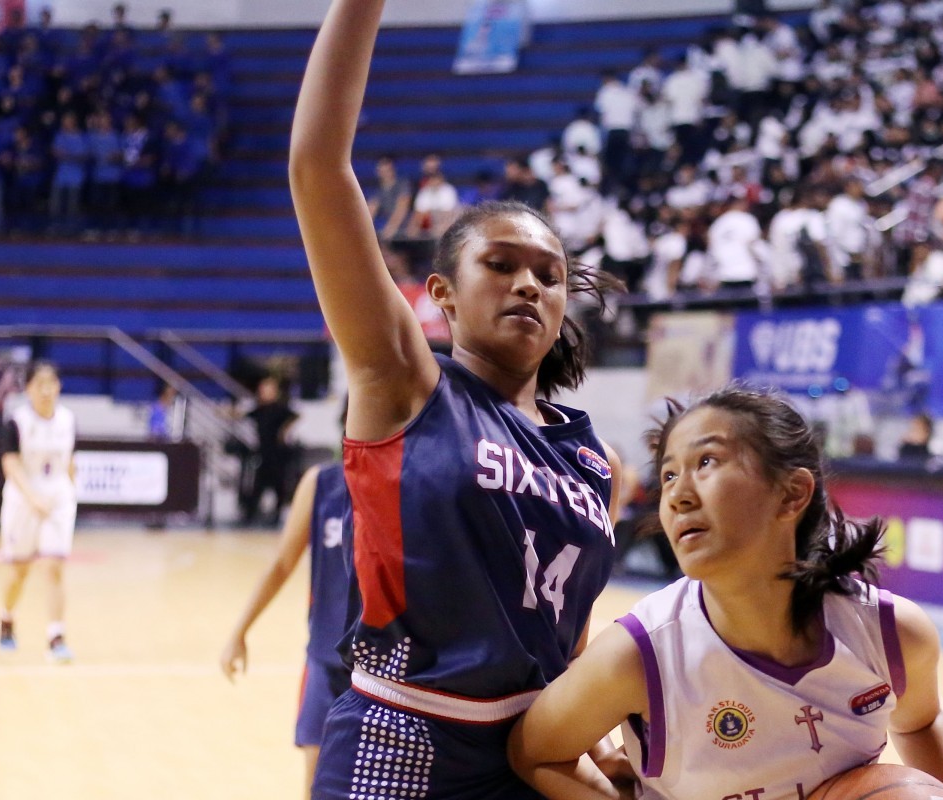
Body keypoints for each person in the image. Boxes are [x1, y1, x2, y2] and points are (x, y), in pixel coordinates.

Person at [287, 1, 624, 796]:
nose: (529, 285)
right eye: (501, 265)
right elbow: (316, 167)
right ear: (441, 293)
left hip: (528, 758)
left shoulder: (592, 459)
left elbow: (564, 634)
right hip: (401, 742)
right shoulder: (405, 382)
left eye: (548, 275)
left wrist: (595, 733)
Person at [508, 388, 943, 800]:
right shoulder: (640, 653)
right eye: (669, 475)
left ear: (792, 494)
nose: (678, 495)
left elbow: (922, 722)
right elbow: (534, 752)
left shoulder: (890, 633)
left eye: (706, 462)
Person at [221, 457, 351, 797]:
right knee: (316, 775)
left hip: (383, 665)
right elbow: (282, 563)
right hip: (326, 657)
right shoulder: (321, 483)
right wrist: (240, 632)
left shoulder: (405, 478)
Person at [0, 361, 78, 663]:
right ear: (28, 388)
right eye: (39, 384)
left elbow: (70, 461)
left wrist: (71, 492)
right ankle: (6, 618)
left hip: (57, 499)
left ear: (59, 387)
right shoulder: (17, 422)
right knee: (19, 571)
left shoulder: (68, 420)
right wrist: (33, 498)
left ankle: (56, 637)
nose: (46, 390)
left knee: (53, 567)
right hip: (22, 501)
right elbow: (10, 464)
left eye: (51, 384)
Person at [239, 376, 299, 527]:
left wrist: (284, 430)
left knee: (279, 486)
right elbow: (243, 415)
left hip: (278, 454)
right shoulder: (259, 409)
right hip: (263, 453)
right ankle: (250, 515)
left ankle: (276, 515)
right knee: (257, 486)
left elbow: (295, 416)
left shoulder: (281, 408)